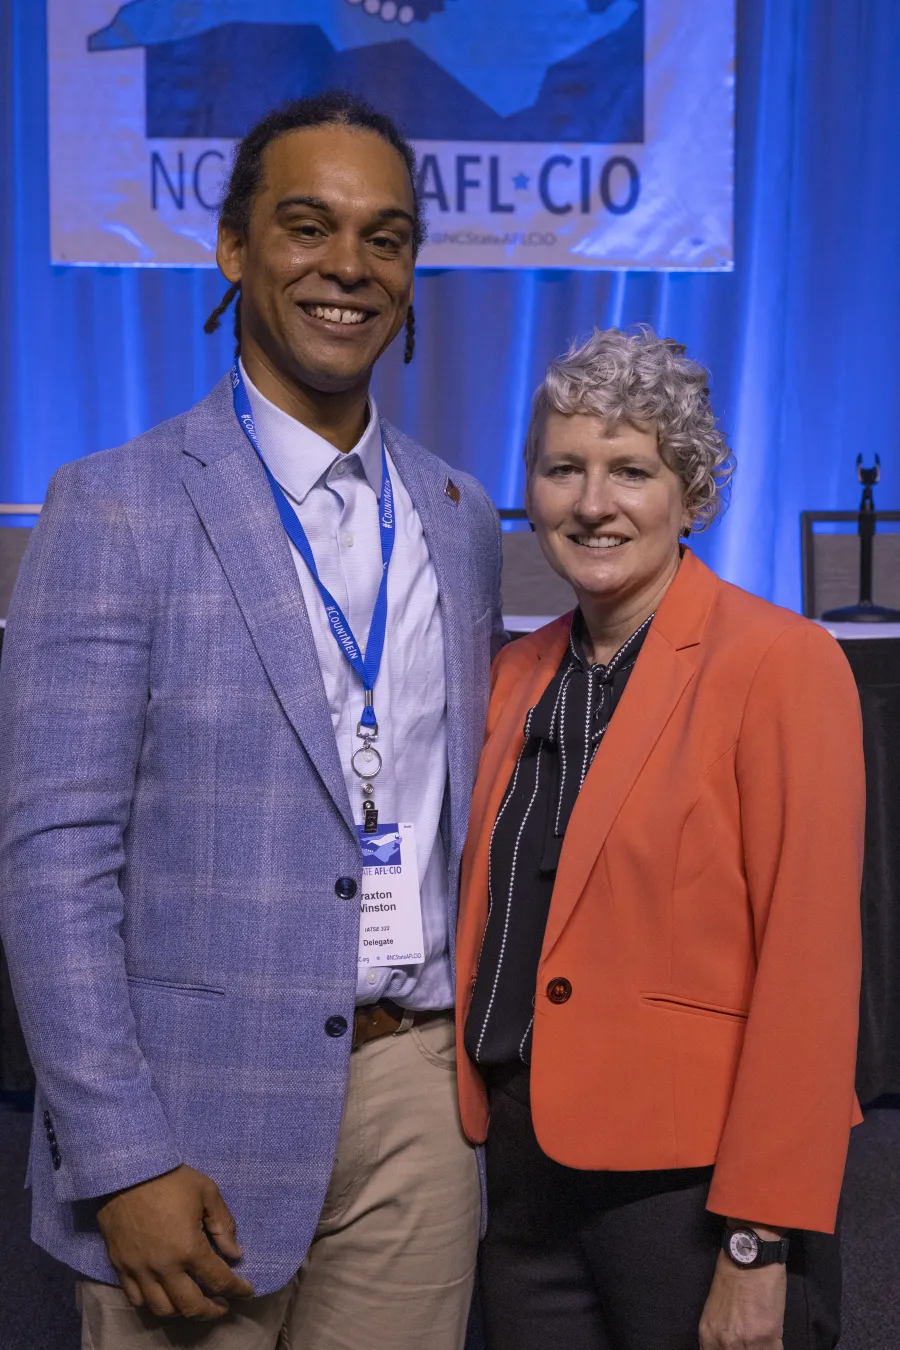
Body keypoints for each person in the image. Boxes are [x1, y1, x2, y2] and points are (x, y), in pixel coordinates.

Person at [0, 92, 503, 1349]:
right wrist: (119, 1159)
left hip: (417, 1105)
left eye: (385, 237)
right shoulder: (113, 508)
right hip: (191, 1120)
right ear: (233, 249)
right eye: (307, 225)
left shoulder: (457, 514)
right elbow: (53, 863)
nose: (348, 267)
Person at [455, 328, 865, 1350]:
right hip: (516, 1182)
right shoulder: (513, 674)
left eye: (630, 470)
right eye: (564, 469)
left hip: (690, 1199)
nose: (593, 503)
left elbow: (809, 979)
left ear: (690, 495)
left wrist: (755, 1246)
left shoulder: (783, 664)